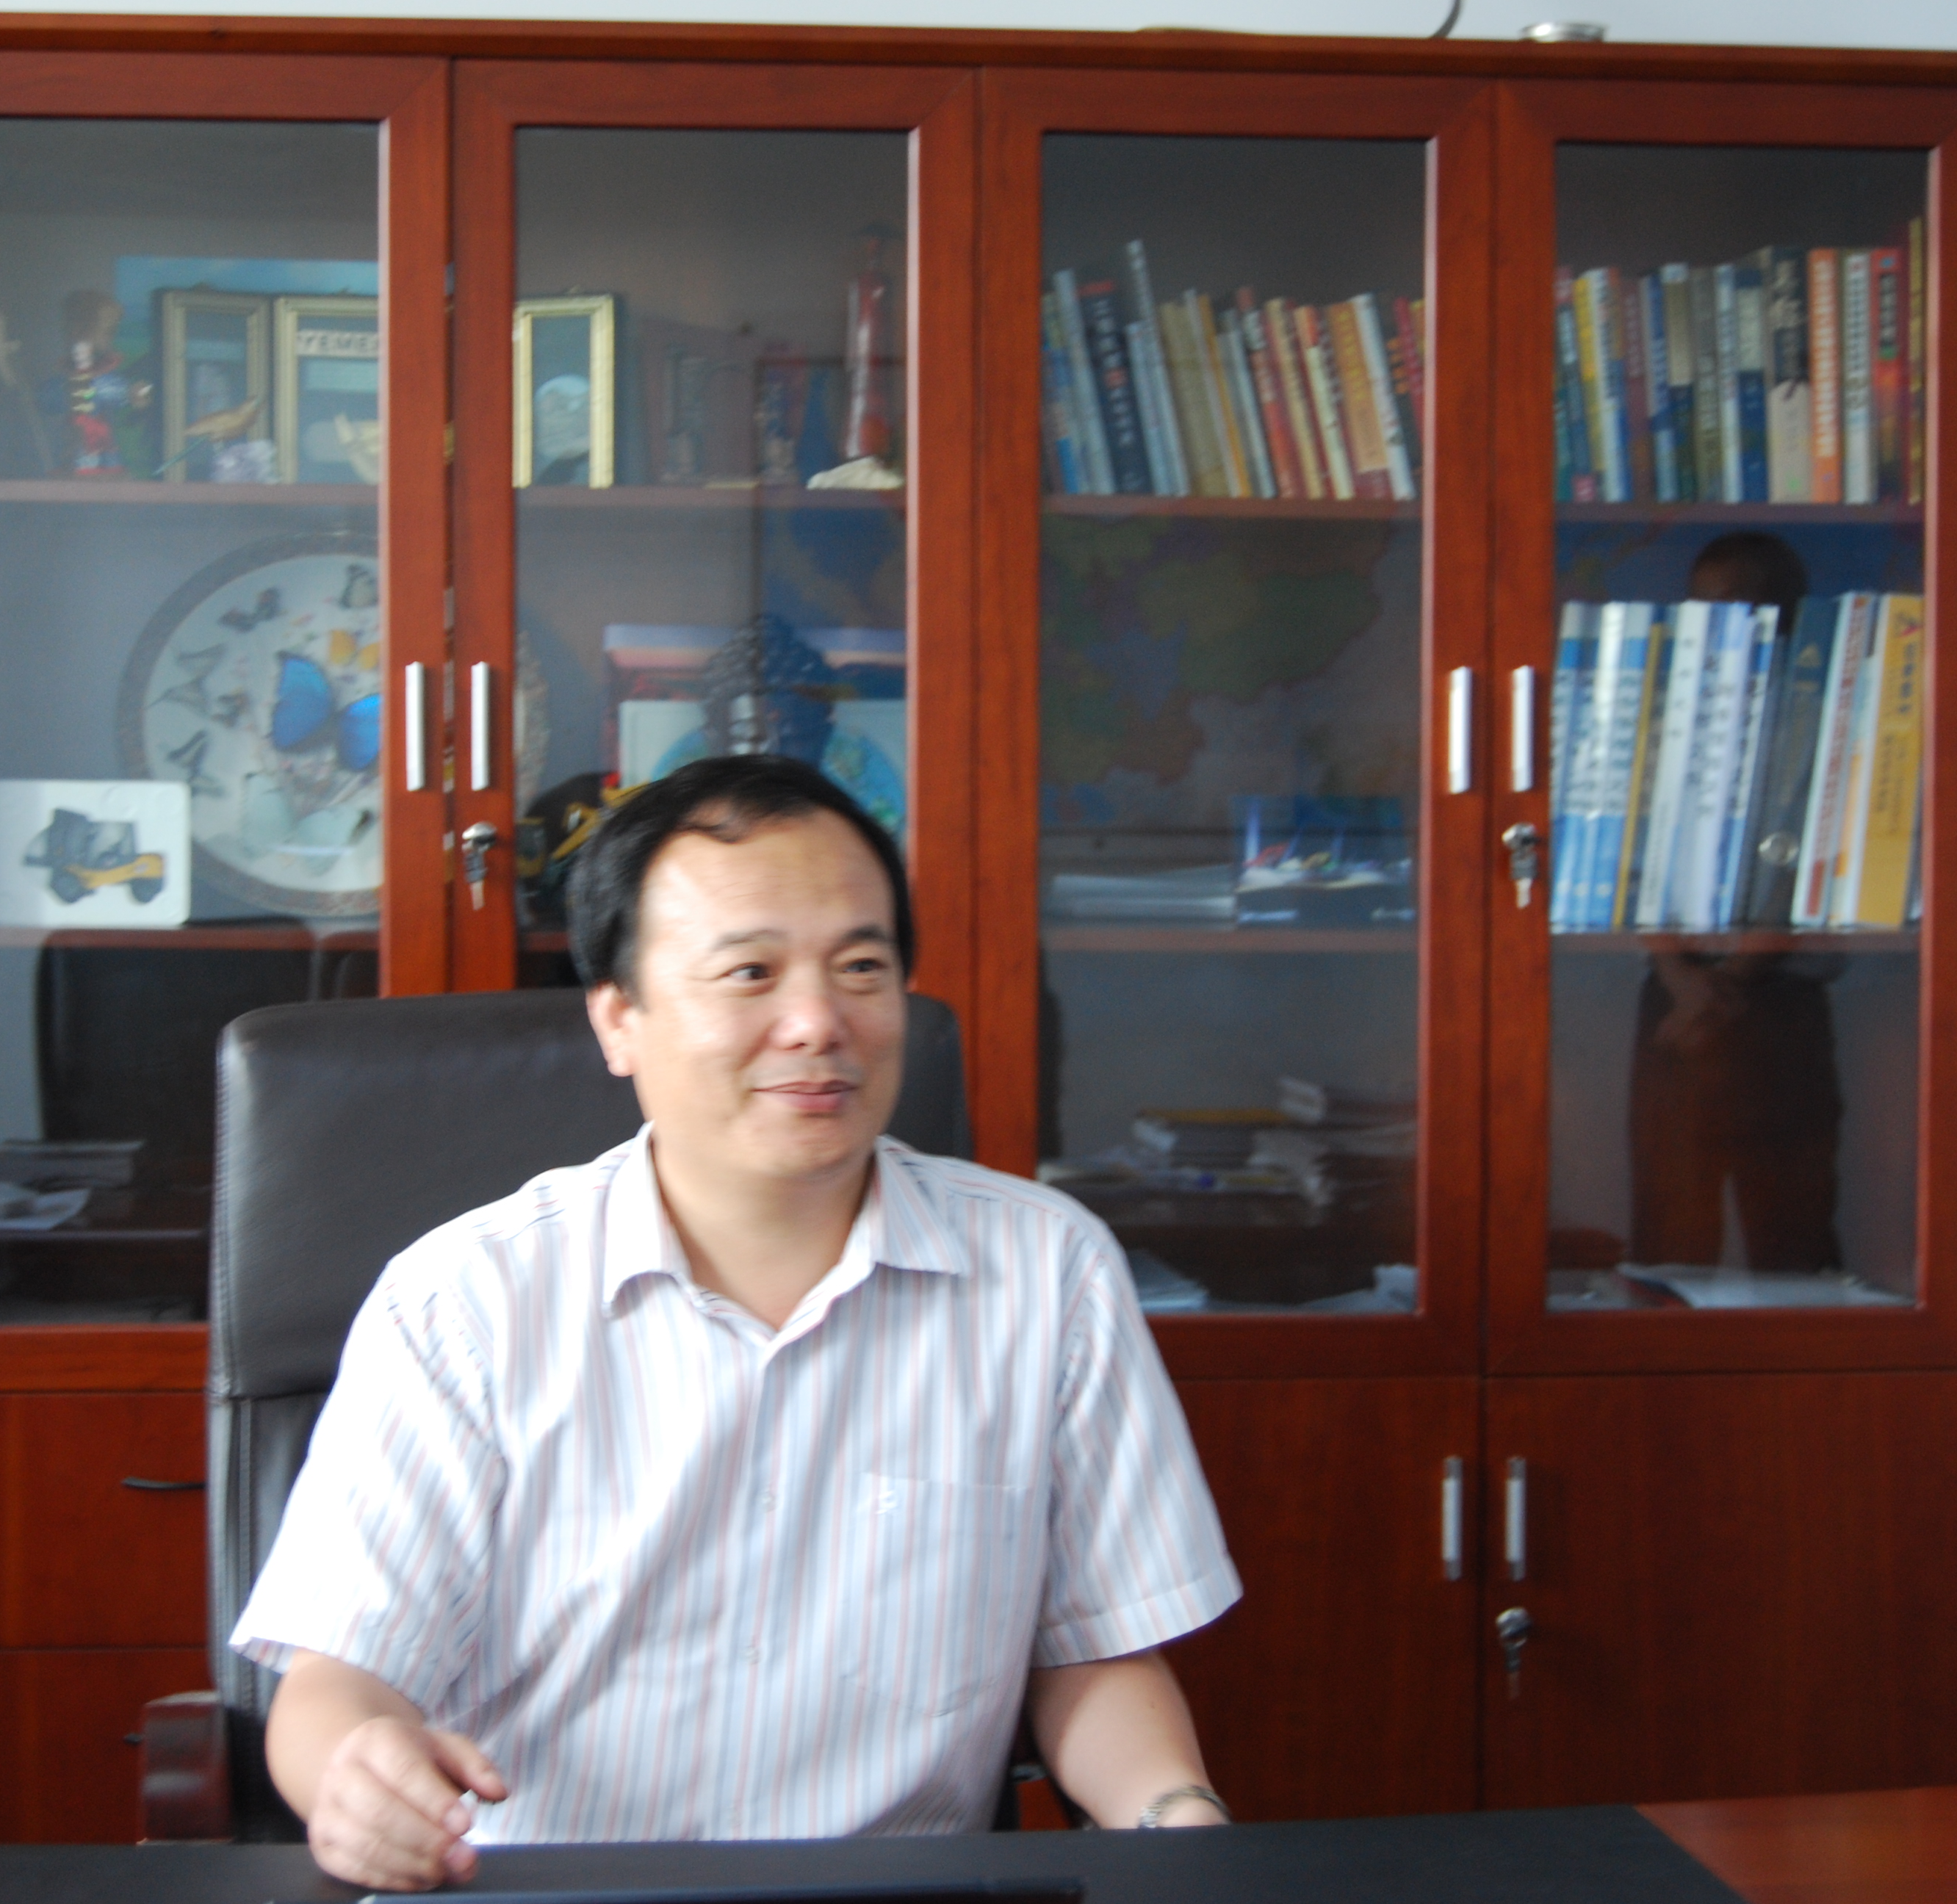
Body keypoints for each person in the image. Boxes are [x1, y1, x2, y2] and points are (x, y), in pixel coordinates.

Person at [229, 752, 1242, 1892]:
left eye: (862, 968)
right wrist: (357, 1779)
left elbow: (1095, 1657)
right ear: (620, 1020)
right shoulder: (464, 1302)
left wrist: (1177, 1817)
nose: (818, 1022)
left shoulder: (1048, 1274)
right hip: (543, 1893)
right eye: (750, 972)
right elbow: (336, 1684)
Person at [1629, 531, 1846, 1272]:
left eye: (1731, 606)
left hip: (1776, 1009)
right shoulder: (1668, 712)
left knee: (1790, 1230)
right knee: (1667, 1225)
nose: (1709, 624)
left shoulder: (1818, 715)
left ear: (1780, 616)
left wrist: (1723, 986)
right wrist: (1681, 981)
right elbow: (1636, 858)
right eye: (1698, 606)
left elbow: (1804, 866)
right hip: (1673, 999)